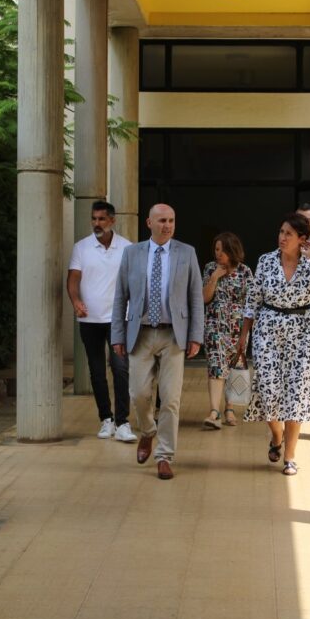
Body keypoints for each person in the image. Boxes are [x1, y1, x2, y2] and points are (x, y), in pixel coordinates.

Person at [235, 213, 310, 476]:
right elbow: (253, 300)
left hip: (303, 333)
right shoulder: (266, 261)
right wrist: (243, 336)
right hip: (268, 331)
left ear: (303, 239)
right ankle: (276, 437)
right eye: (281, 232)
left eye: (289, 234)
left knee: (297, 396)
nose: (282, 237)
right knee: (269, 395)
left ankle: (290, 457)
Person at [111, 203, 204, 480]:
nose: (168, 225)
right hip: (139, 333)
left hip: (173, 334)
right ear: (149, 223)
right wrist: (117, 334)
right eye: (162, 220)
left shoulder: (187, 253)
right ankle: (148, 432)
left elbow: (196, 297)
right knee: (138, 394)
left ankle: (164, 456)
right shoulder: (132, 253)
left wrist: (196, 335)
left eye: (172, 220)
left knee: (171, 399)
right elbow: (120, 297)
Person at [67, 201, 135, 442]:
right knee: (97, 372)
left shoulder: (127, 248)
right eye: (94, 219)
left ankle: (123, 422)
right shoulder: (81, 248)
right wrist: (76, 301)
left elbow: (134, 284)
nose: (96, 223)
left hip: (119, 320)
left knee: (121, 369)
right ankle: (106, 419)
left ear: (112, 221)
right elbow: (73, 279)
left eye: (101, 219)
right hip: (90, 320)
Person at [201, 232, 253, 430]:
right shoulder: (210, 268)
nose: (219, 254)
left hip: (237, 327)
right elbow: (204, 298)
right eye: (216, 250)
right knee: (215, 366)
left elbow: (251, 302)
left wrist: (245, 332)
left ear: (232, 251)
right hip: (214, 324)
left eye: (222, 250)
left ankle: (229, 408)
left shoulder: (245, 271)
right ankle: (214, 412)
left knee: (232, 367)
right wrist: (214, 278)